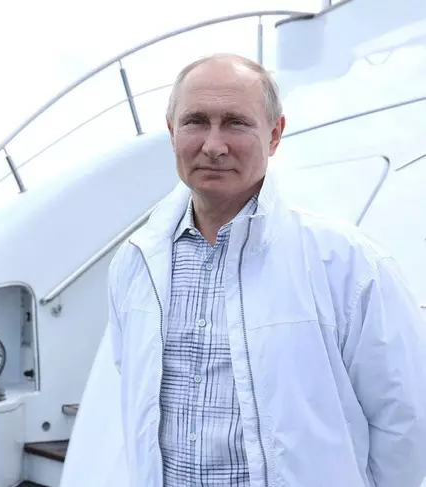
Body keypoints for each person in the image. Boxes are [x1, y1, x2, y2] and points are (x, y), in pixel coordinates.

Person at [106, 53, 426, 487]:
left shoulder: (348, 264)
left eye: (235, 123)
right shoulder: (136, 262)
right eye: (196, 121)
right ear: (171, 132)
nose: (213, 145)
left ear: (275, 135)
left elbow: (407, 423)